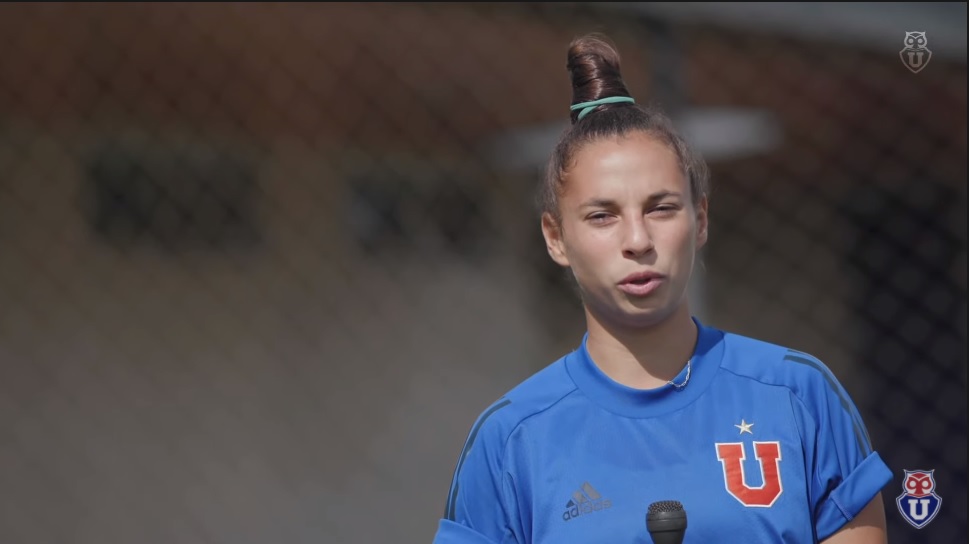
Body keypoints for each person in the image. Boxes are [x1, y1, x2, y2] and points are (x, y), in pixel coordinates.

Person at [431, 33, 892, 544]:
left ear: (701, 220)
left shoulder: (798, 394)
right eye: (602, 216)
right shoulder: (510, 439)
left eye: (661, 208)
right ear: (556, 238)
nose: (638, 240)